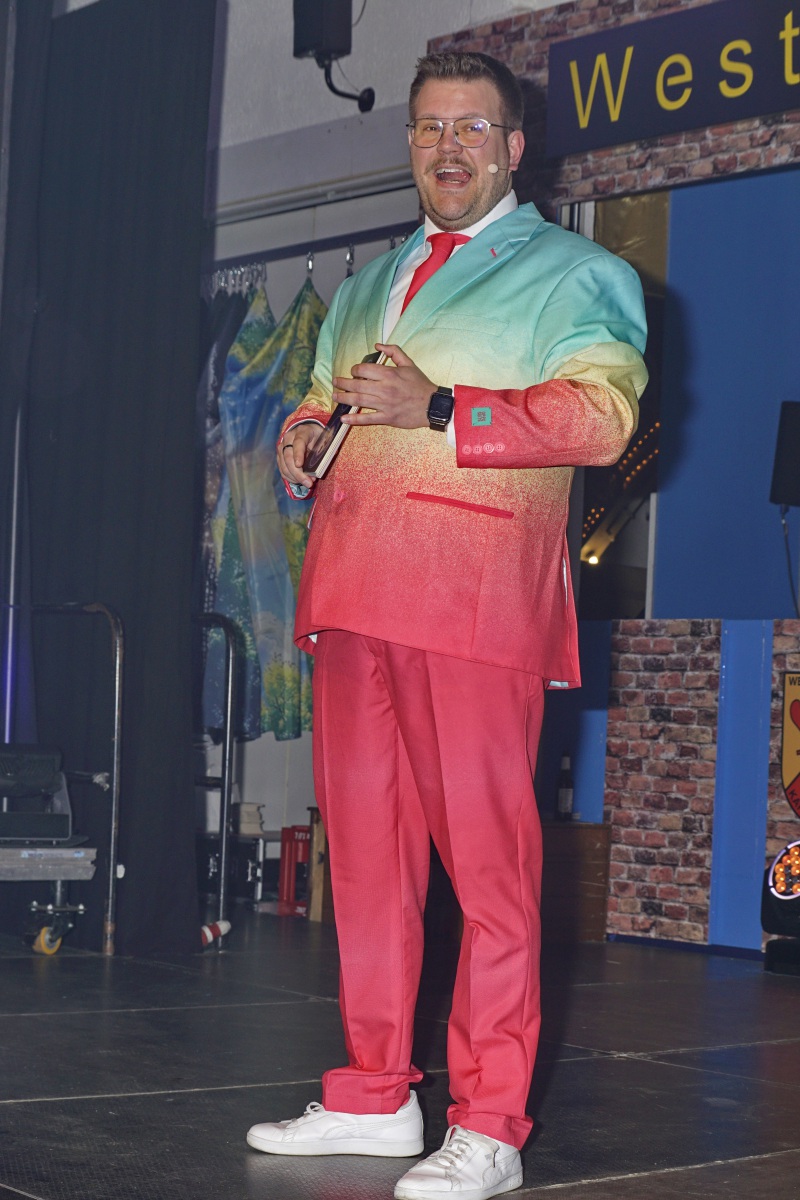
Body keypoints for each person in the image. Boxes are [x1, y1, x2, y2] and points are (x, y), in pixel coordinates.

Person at [246, 50, 647, 1200]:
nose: (447, 146)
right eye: (428, 127)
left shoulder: (577, 274)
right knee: (368, 870)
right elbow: (326, 404)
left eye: (471, 127)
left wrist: (434, 404)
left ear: (513, 148)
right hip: (351, 597)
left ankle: (490, 1122)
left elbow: (602, 419)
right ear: (410, 143)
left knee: (489, 876)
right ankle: (375, 1096)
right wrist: (303, 438)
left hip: (472, 605)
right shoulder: (367, 286)